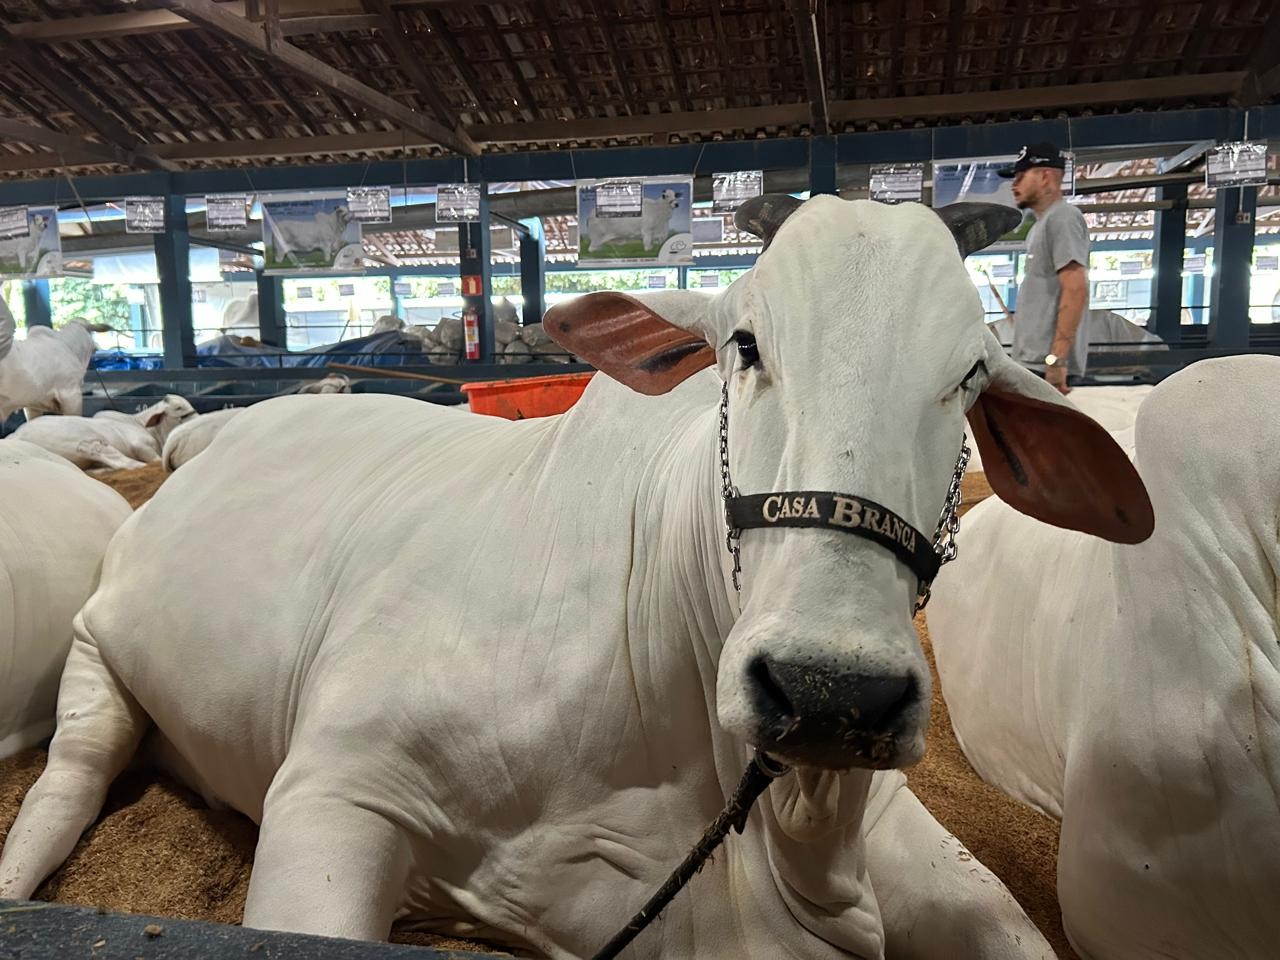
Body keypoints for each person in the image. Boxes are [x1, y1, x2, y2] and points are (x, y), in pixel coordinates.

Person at [998, 141, 1090, 395]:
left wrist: (1056, 359)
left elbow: (1075, 288)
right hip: (1034, 362)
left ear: (1045, 176)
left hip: (1046, 367)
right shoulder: (1041, 225)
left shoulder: (1063, 217)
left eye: (1020, 176)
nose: (1014, 185)